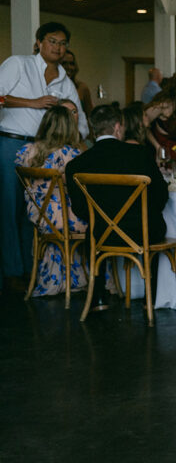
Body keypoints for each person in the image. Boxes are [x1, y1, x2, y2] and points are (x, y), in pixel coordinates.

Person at [0, 22, 88, 290]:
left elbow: (82, 123)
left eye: (63, 44)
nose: (58, 48)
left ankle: (32, 269)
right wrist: (33, 103)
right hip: (11, 142)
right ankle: (12, 272)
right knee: (8, 208)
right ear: (39, 42)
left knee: (36, 211)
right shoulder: (19, 64)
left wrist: (68, 131)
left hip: (46, 151)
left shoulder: (66, 81)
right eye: (52, 41)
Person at [65, 104, 169, 311]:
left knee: (94, 231)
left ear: (94, 130)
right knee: (157, 225)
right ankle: (152, 297)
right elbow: (161, 196)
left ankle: (98, 297)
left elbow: (79, 209)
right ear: (117, 127)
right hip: (143, 232)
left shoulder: (76, 165)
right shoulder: (140, 154)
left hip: (100, 234)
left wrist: (105, 220)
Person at [15, 106, 87, 297]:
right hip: (65, 218)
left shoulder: (28, 151)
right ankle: (87, 279)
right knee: (96, 217)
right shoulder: (70, 154)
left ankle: (55, 279)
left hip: (38, 216)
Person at [61, 51, 94, 117]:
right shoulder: (50, 88)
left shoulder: (82, 88)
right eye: (64, 63)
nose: (69, 67)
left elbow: (90, 115)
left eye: (72, 63)